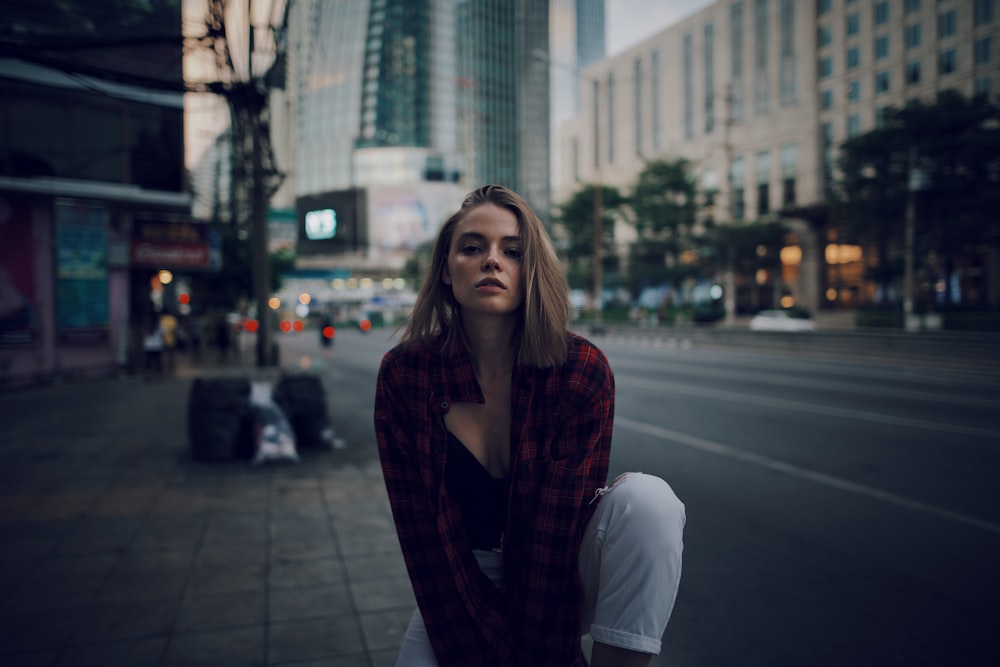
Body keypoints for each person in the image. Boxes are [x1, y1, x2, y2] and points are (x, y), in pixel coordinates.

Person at [374, 185, 685, 666]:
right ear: (445, 271)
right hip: (461, 576)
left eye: (512, 251)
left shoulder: (579, 369)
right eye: (472, 247)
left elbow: (553, 538)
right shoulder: (405, 375)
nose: (492, 260)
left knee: (649, 502)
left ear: (533, 270)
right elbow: (422, 540)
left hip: (566, 570)